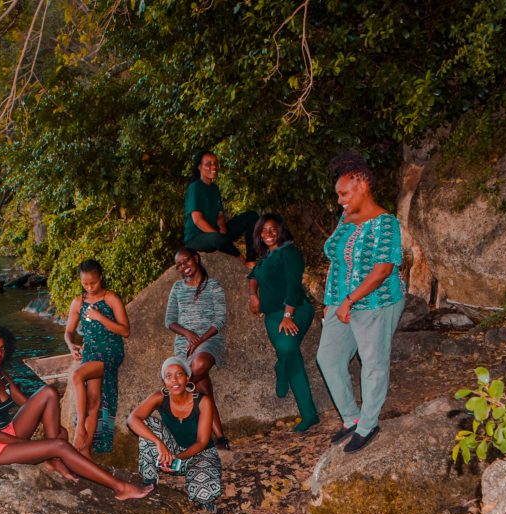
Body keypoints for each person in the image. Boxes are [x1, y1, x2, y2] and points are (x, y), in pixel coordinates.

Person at [0, 323, 153, 500]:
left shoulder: (0, 375)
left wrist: (50, 427)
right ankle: (119, 487)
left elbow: (27, 404)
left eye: (2, 348)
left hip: (9, 431)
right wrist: (41, 445)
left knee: (48, 392)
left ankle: (54, 459)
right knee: (59, 445)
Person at [316, 151, 406, 453]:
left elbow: (382, 270)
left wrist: (350, 300)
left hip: (375, 302)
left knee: (373, 363)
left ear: (362, 185)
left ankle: (368, 425)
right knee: (327, 358)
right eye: (338, 194)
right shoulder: (346, 218)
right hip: (341, 302)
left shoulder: (385, 223)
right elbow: (339, 261)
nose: (340, 199)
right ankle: (352, 419)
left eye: (344, 193)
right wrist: (333, 301)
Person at [247, 213, 319, 432]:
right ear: (259, 234)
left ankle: (280, 368)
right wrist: (253, 295)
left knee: (287, 348)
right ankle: (309, 415)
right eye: (264, 230)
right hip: (271, 316)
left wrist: (288, 315)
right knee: (293, 356)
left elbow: (294, 285)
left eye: (273, 229)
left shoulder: (289, 252)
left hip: (295, 309)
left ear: (281, 230)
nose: (268, 234)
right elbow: (253, 276)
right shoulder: (266, 257)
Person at [127, 357, 222, 511]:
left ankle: (201, 486)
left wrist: (176, 458)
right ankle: (149, 479)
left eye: (179, 374)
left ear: (187, 377)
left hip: (200, 454)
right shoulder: (160, 396)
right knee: (145, 424)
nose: (174, 380)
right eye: (168, 376)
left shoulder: (203, 401)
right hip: (171, 449)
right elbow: (132, 419)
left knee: (204, 496)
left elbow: (202, 442)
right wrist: (160, 444)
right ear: (164, 381)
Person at [164, 247, 230, 449]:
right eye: (179, 265)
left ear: (196, 258)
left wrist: (200, 339)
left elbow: (220, 320)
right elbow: (169, 321)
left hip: (209, 341)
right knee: (202, 387)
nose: (184, 267)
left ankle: (173, 397)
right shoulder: (177, 288)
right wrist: (189, 335)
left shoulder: (213, 286)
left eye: (186, 261)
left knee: (200, 363)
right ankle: (219, 437)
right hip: (184, 345)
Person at [64, 259, 129, 457]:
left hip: (110, 352)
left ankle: (80, 430)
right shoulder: (78, 302)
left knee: (77, 376)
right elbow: (68, 331)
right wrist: (71, 345)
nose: (90, 287)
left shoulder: (111, 299)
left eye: (93, 283)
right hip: (91, 353)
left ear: (100, 278)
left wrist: (101, 317)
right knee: (93, 401)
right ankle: (85, 452)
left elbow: (125, 331)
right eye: (85, 284)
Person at [183, 150, 259, 263]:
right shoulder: (195, 188)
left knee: (252, 216)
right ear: (199, 167)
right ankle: (242, 260)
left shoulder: (214, 188)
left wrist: (223, 228)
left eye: (215, 163)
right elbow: (198, 220)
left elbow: (220, 215)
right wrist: (218, 235)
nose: (213, 167)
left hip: (217, 233)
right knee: (217, 239)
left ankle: (251, 260)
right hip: (197, 238)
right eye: (208, 164)